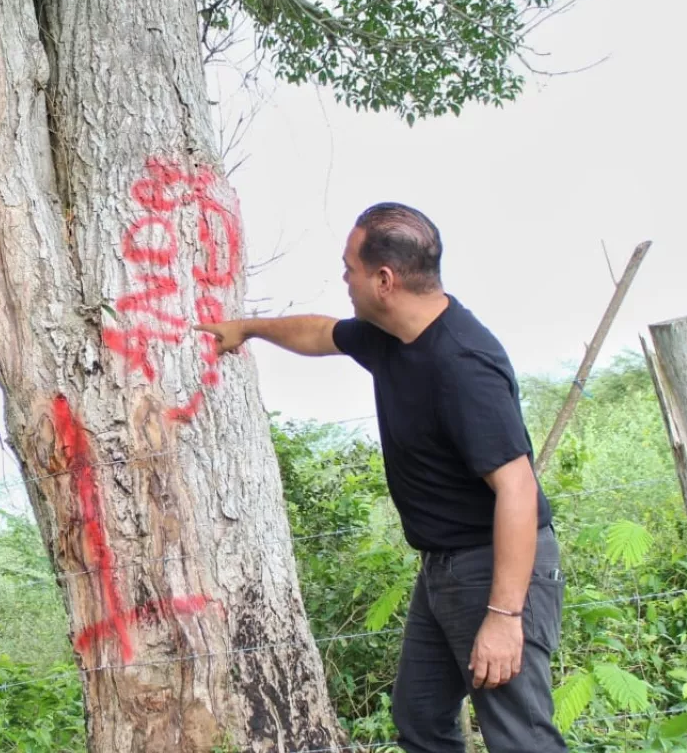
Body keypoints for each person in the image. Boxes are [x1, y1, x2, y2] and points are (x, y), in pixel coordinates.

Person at [195, 203, 567, 752]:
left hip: (494, 568)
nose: (344, 280)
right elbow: (320, 333)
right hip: (442, 567)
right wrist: (247, 328)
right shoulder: (392, 336)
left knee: (519, 737)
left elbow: (517, 488)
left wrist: (504, 615)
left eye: (350, 269)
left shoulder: (461, 363)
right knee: (420, 718)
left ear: (385, 280)